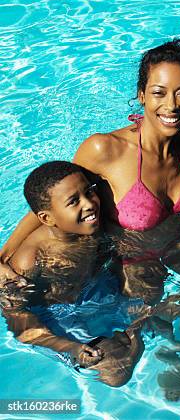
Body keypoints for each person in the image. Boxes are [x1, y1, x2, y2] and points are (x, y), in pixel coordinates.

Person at [0, 40, 180, 305]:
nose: (171, 105)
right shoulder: (106, 150)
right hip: (131, 263)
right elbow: (56, 200)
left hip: (179, 246)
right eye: (159, 92)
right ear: (142, 94)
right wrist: (3, 257)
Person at [2, 161, 143, 387]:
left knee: (161, 317)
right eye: (73, 201)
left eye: (89, 192)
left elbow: (118, 260)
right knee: (114, 373)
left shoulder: (93, 228)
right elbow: (18, 319)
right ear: (48, 218)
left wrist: (131, 292)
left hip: (97, 292)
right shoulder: (30, 260)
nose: (89, 204)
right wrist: (69, 347)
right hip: (57, 316)